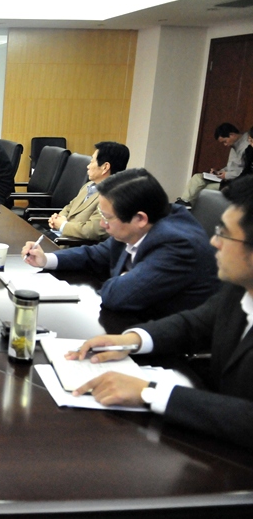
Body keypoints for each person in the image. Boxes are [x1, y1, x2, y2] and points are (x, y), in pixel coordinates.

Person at [67, 175, 253, 450]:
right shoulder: (238, 288)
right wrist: (132, 340)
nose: (214, 242)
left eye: (224, 234)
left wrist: (150, 392)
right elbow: (193, 324)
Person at [22, 168, 220, 320]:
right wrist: (46, 259)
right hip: (130, 320)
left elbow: (118, 295)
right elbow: (96, 254)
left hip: (165, 344)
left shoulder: (178, 245)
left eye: (107, 218)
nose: (102, 224)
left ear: (140, 218)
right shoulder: (141, 225)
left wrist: (123, 280)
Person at [47, 142, 129, 241]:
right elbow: (70, 206)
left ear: (105, 167)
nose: (88, 166)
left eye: (92, 161)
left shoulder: (113, 197)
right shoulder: (89, 185)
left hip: (70, 244)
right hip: (58, 236)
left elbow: (92, 231)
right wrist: (58, 218)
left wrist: (63, 225)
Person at [178, 123, 250, 205]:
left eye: (225, 141)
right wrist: (219, 172)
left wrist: (226, 175)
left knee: (202, 190)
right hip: (228, 179)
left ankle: (183, 204)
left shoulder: (247, 146)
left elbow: (246, 172)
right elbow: (231, 166)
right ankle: (184, 203)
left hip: (236, 182)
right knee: (197, 178)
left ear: (232, 135)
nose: (225, 145)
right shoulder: (234, 145)